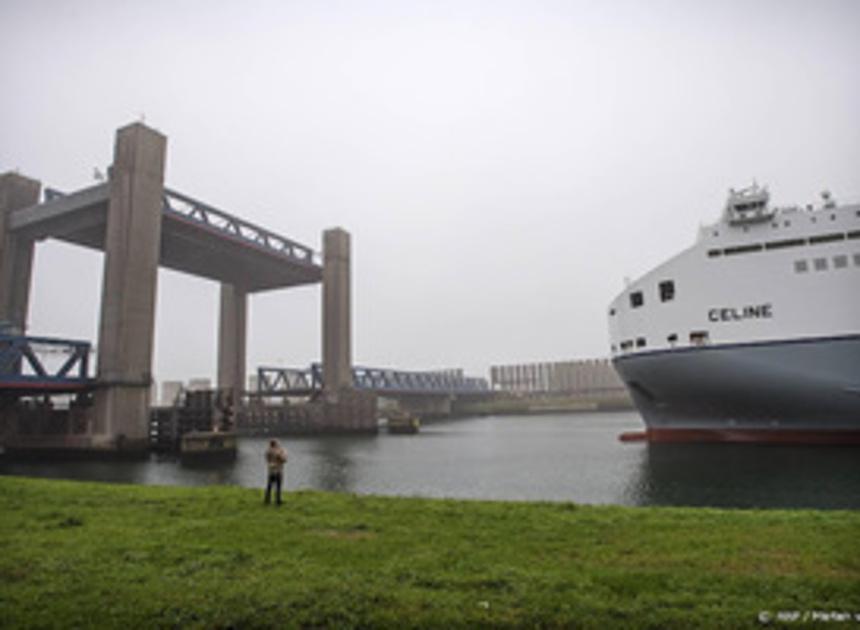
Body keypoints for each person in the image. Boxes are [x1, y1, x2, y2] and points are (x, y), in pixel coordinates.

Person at [264, 439, 288, 505]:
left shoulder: (267, 451)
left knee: (269, 486)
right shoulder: (278, 452)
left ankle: (267, 500)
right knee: (278, 486)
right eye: (278, 444)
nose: (279, 445)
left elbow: (267, 459)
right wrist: (284, 453)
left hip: (271, 471)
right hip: (278, 470)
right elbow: (284, 460)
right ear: (275, 444)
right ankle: (278, 500)